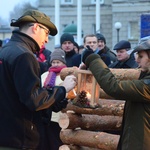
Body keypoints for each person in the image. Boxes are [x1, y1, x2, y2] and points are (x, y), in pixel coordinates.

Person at [0, 9, 77, 150]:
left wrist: (54, 101)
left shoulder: (5, 50)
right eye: (46, 33)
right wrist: (63, 89)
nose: (47, 39)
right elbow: (33, 100)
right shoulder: (24, 55)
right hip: (19, 139)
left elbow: (18, 95)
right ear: (36, 27)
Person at [81, 39, 150, 150]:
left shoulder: (147, 86)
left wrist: (92, 59)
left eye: (141, 57)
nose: (137, 60)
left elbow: (113, 87)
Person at [41, 49, 67, 150]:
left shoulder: (67, 76)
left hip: (60, 117)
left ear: (63, 62)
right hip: (47, 116)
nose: (55, 64)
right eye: (53, 62)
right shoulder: (45, 75)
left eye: (58, 62)